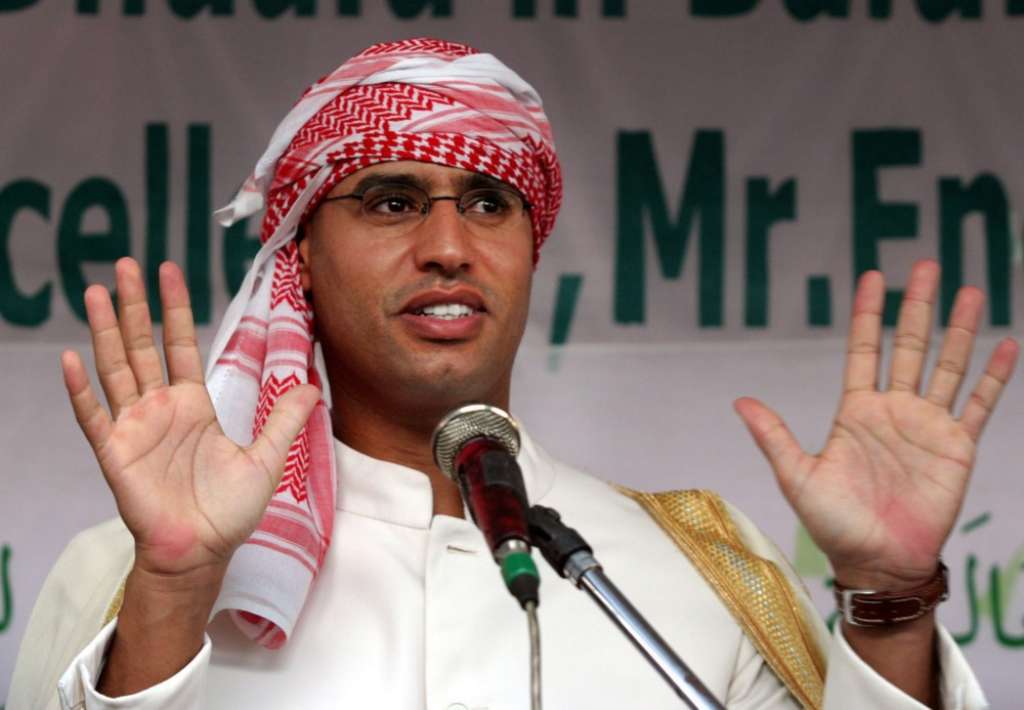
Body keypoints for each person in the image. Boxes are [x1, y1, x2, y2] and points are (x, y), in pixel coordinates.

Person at [8, 38, 1015, 709]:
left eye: (490, 203)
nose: (449, 246)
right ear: (300, 256)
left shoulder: (697, 565)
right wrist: (178, 589)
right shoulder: (141, 573)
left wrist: (891, 596)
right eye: (392, 201)